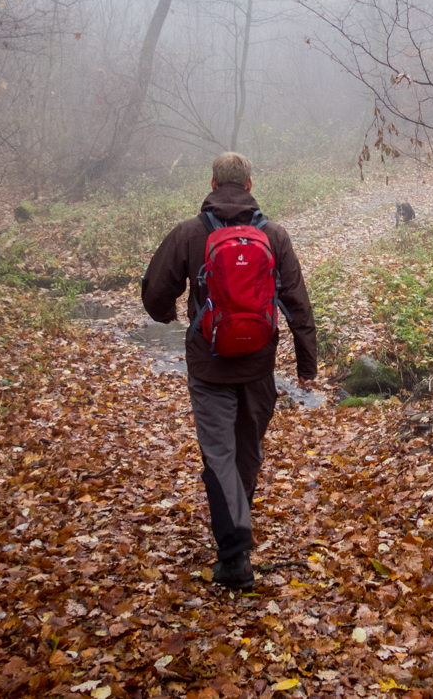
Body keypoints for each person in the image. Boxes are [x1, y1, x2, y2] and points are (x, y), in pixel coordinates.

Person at [141, 152, 317, 590]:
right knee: (246, 452)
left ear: (214, 183)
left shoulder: (189, 233)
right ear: (251, 185)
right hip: (259, 364)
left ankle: (234, 553)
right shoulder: (274, 234)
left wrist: (168, 316)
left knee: (218, 453)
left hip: (209, 364)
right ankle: (236, 531)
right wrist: (306, 364)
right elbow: (297, 302)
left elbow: (155, 291)